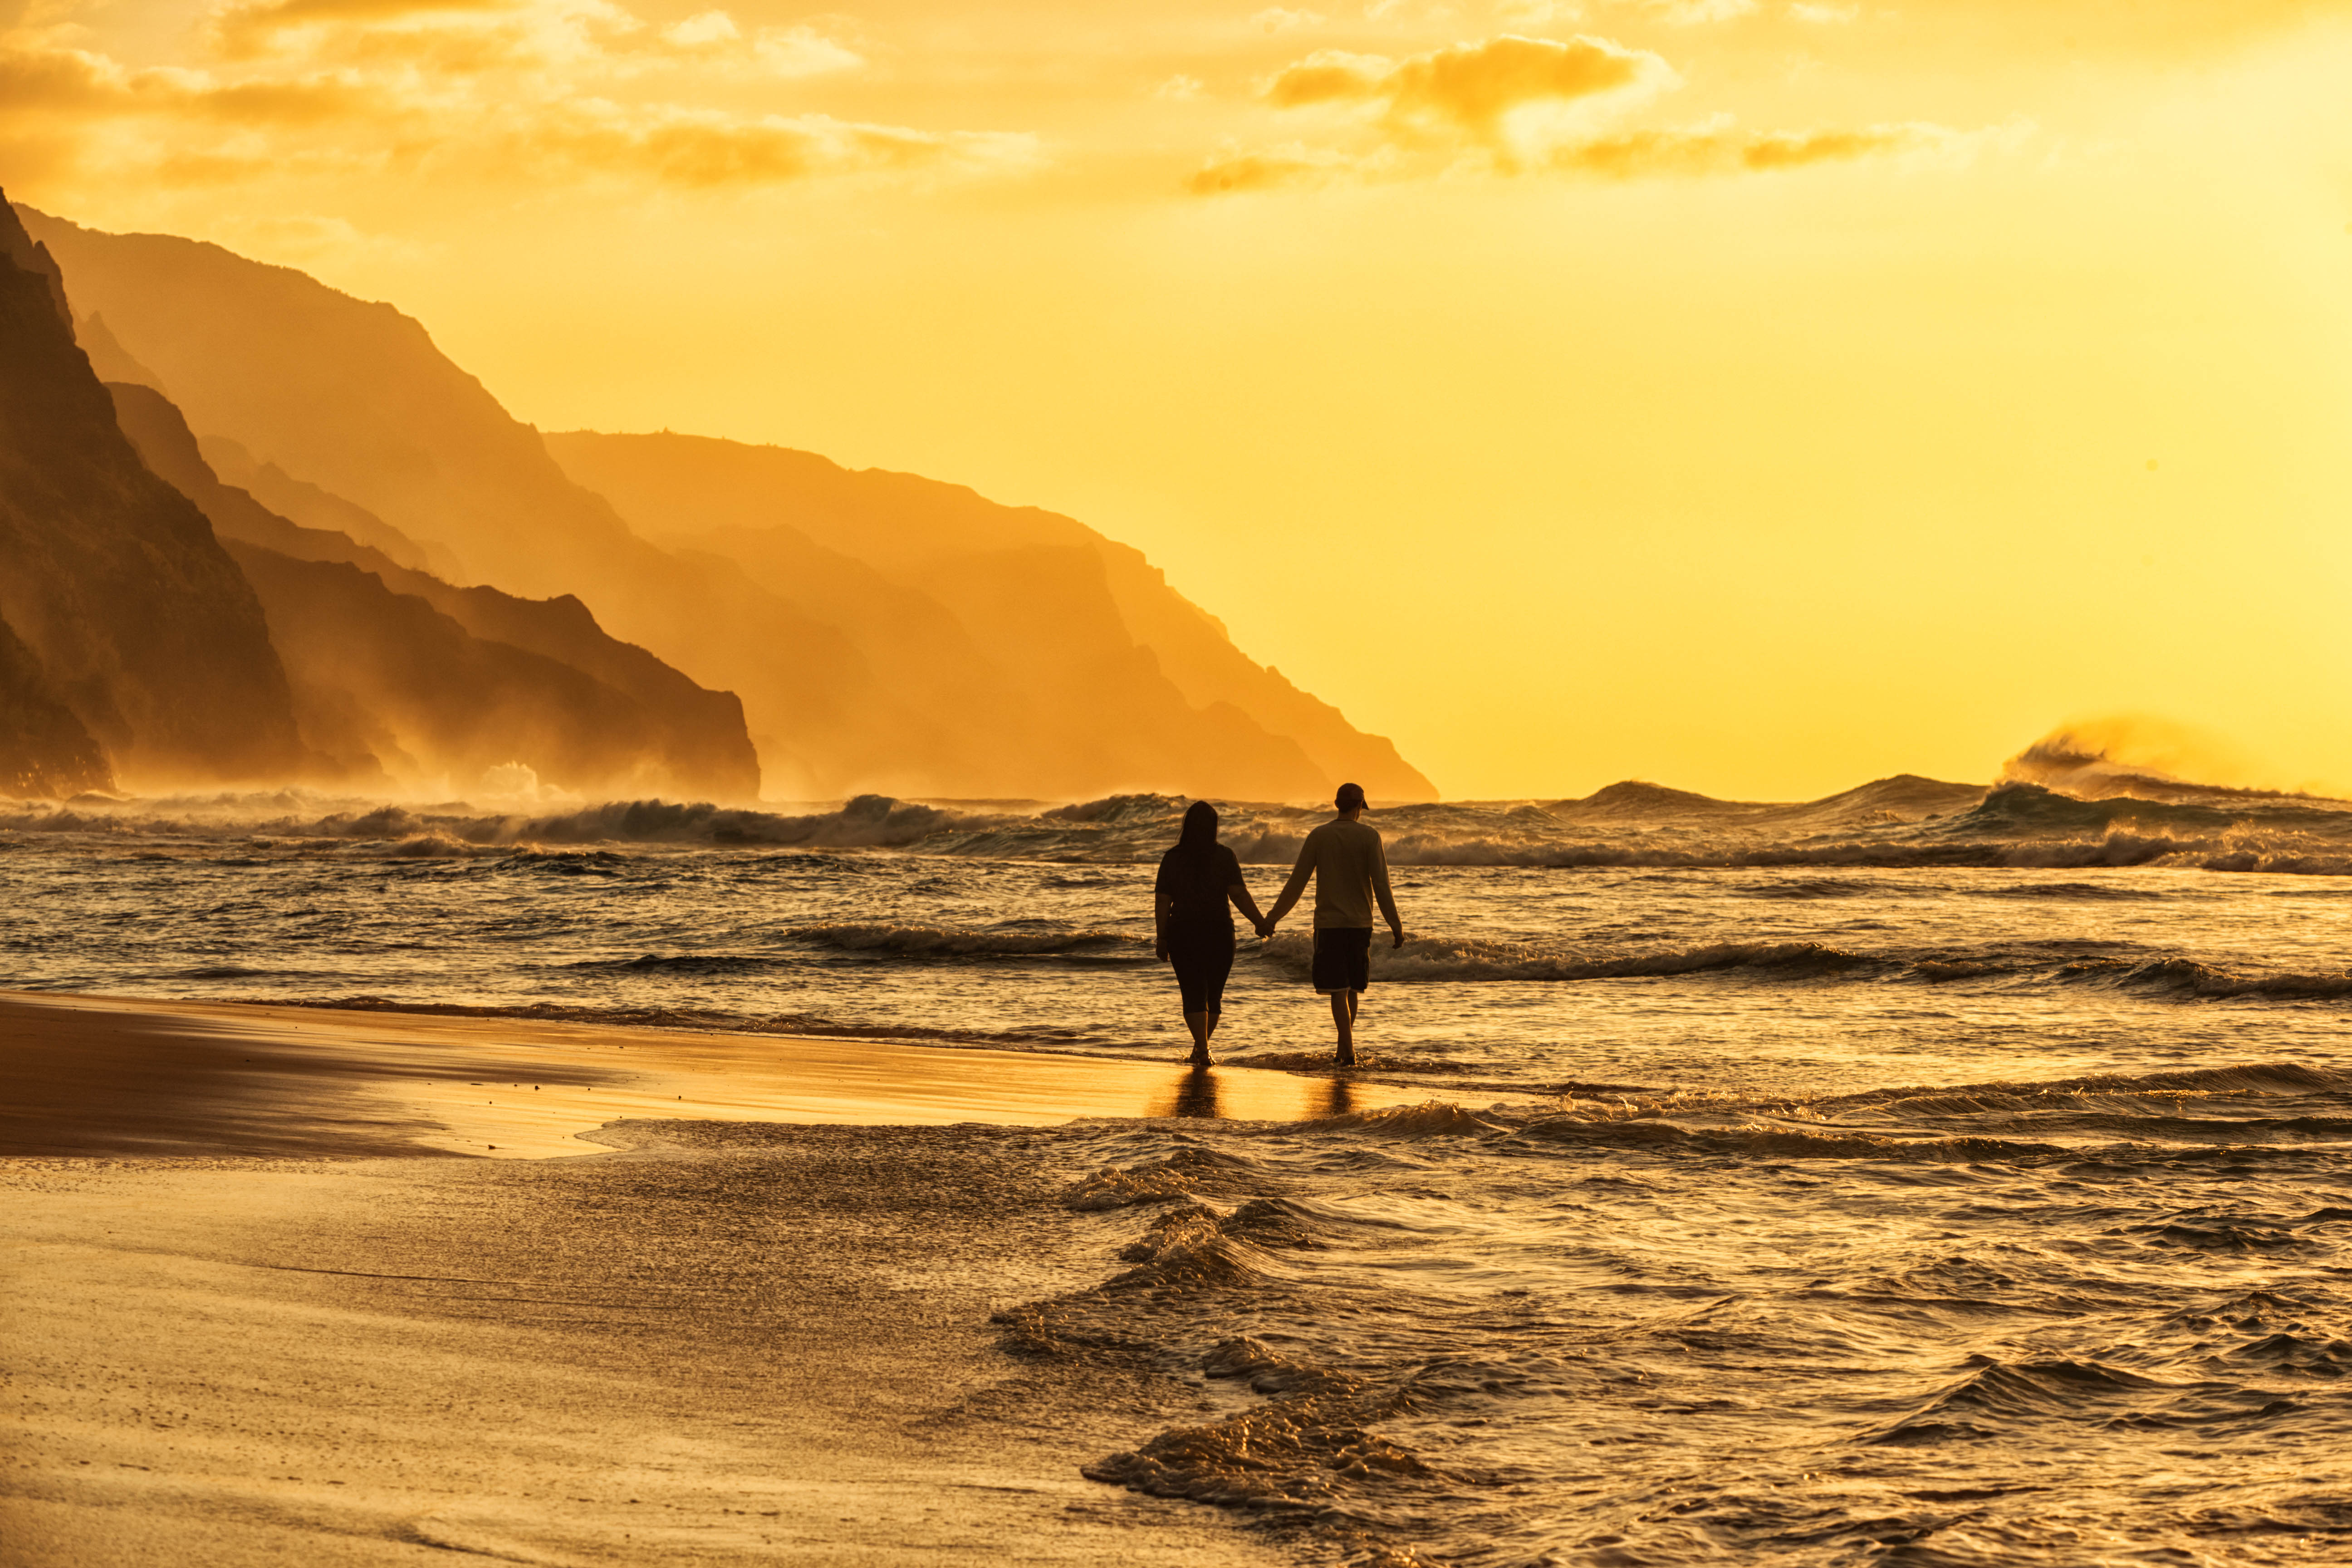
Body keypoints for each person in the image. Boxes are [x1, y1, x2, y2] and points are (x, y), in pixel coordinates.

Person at [1260, 782, 1405, 1066]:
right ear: (1360, 807)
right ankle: (1348, 1049)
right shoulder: (1370, 836)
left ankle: (1345, 1049)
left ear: (1338, 804)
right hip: (1361, 924)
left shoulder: (1319, 835)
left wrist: (1272, 918)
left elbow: (1296, 883)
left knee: (1339, 988)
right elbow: (1382, 887)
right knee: (1352, 988)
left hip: (1328, 925)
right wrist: (1396, 926)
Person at [1154, 800, 1269, 1067]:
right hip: (1220, 933)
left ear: (1187, 826)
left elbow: (1163, 901)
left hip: (1183, 933)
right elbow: (1239, 894)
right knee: (1214, 995)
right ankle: (1202, 1049)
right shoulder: (1225, 856)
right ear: (1214, 828)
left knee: (1193, 993)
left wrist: (1162, 938)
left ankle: (1202, 1050)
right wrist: (1260, 922)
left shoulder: (1172, 858)